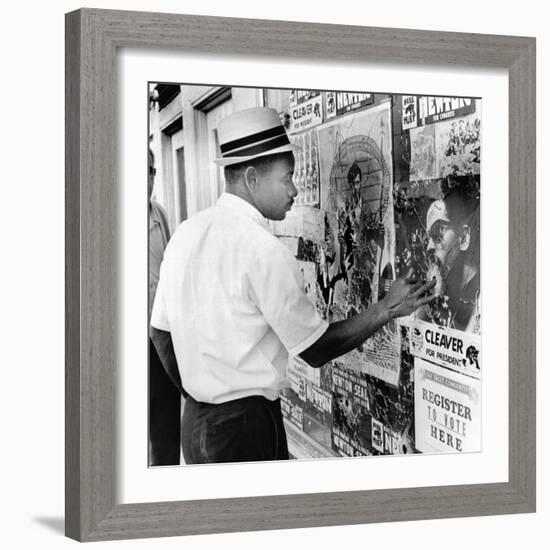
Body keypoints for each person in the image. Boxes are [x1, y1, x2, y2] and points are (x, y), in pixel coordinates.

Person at [150, 107, 435, 464]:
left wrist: (203, 391)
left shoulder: (185, 233)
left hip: (197, 425)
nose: (295, 190)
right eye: (288, 178)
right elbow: (314, 349)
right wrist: (386, 308)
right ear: (253, 178)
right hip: (243, 431)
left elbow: (160, 333)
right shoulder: (260, 248)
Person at [148, 149, 181, 466]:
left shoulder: (158, 214)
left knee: (165, 425)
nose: (146, 178)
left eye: (150, 170)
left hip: (159, 335)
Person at [423, 177, 480, 333]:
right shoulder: (449, 288)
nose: (429, 247)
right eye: (428, 237)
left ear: (463, 238)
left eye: (437, 233)